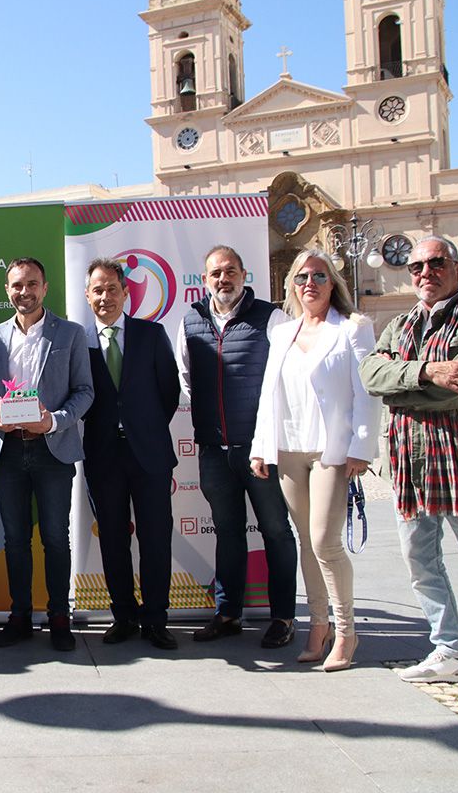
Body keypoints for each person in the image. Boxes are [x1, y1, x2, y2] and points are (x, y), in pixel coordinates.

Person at [360, 235, 458, 710]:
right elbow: (371, 377)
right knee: (420, 563)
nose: (424, 273)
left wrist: (402, 380)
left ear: (456, 267)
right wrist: (428, 372)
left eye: (435, 263)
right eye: (415, 267)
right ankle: (450, 649)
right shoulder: (401, 324)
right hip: (410, 465)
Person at [249, 249, 380, 671]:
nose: (311, 284)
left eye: (320, 276)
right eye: (303, 277)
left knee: (325, 541)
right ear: (292, 285)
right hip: (289, 448)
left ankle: (346, 631)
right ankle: (317, 627)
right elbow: (270, 393)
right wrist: (260, 446)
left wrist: (361, 447)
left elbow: (368, 392)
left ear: (333, 283)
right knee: (306, 542)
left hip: (331, 450)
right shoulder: (281, 331)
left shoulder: (354, 329)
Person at [175, 245, 298, 649]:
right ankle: (228, 614)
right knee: (227, 532)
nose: (223, 279)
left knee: (276, 531)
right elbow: (187, 379)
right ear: (205, 279)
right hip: (214, 449)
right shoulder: (191, 319)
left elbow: (286, 381)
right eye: (215, 273)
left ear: (245, 275)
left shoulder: (271, 317)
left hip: (261, 450)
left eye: (231, 271)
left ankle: (283, 617)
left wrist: (266, 440)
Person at [0, 257, 94, 651]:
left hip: (52, 451)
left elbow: (85, 392)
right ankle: (20, 615)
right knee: (14, 540)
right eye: (16, 286)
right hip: (8, 452)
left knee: (57, 539)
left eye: (31, 284)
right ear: (6, 291)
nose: (23, 292)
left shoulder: (71, 334)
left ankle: (59, 615)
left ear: (44, 288)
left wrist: (55, 421)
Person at [81, 259, 181, 650]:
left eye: (111, 289)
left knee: (156, 538)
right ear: (88, 296)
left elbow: (169, 393)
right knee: (113, 540)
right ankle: (123, 615)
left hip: (150, 454)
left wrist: (143, 427)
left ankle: (156, 618)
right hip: (103, 456)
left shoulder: (151, 335)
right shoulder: (80, 341)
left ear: (126, 292)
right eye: (97, 290)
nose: (105, 296)